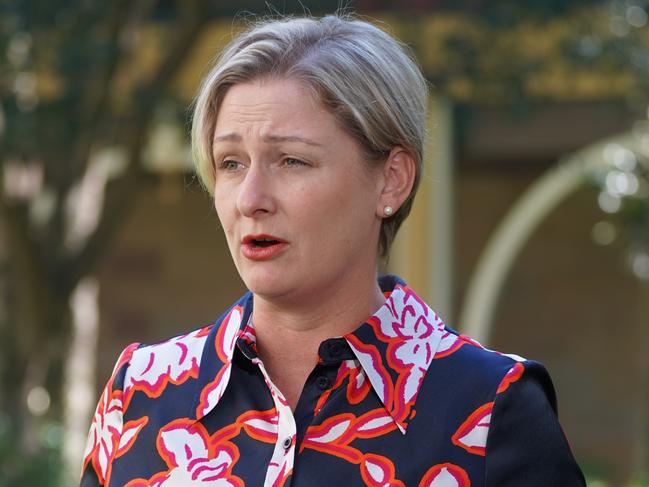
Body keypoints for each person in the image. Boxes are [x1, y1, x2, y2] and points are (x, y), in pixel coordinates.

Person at [80, 14, 586, 486]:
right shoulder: (141, 392)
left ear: (391, 181)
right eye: (231, 163)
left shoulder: (493, 408)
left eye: (292, 161)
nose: (251, 200)